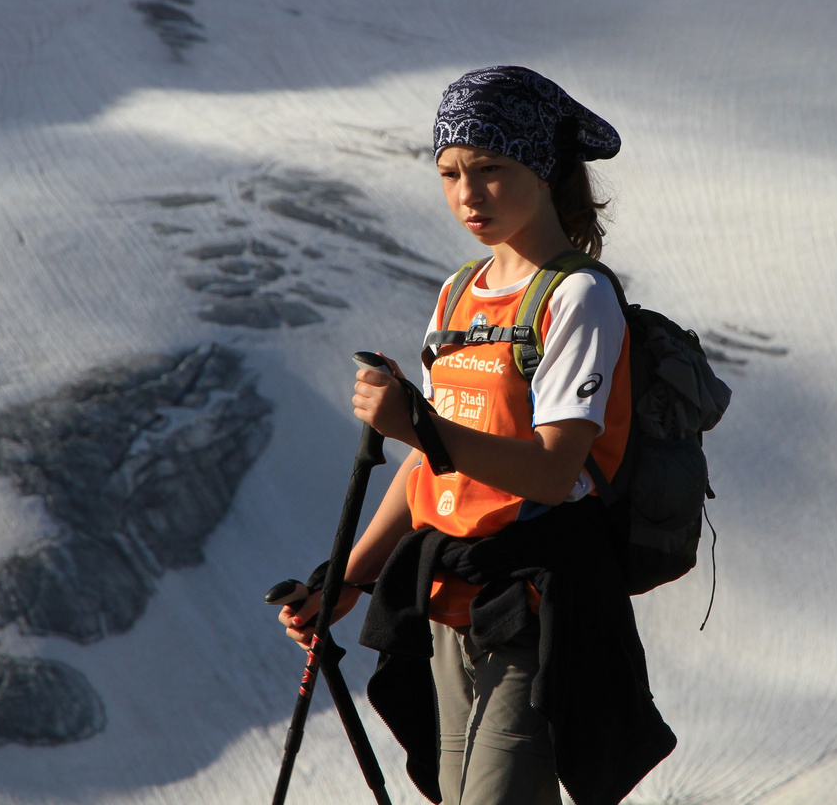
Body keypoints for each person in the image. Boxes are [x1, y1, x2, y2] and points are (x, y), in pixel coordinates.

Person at [275, 66, 674, 805]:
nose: (468, 193)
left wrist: (418, 424)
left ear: (545, 169)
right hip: (450, 605)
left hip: (537, 608)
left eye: (492, 169)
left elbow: (556, 474)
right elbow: (432, 472)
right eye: (451, 172)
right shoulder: (459, 292)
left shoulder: (578, 296)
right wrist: (349, 579)